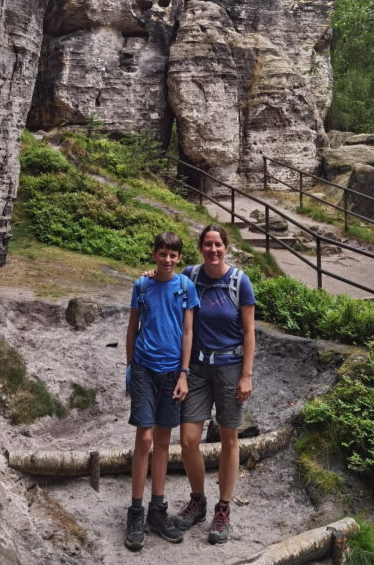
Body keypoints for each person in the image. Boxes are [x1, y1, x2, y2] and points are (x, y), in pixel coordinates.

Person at [174, 224, 256, 545]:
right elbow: (170, 290)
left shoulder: (239, 282)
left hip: (230, 368)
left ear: (226, 247)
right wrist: (152, 274)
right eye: (208, 244)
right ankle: (198, 501)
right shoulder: (190, 276)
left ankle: (223, 509)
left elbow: (249, 332)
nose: (213, 249)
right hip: (196, 367)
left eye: (218, 244)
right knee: (189, 439)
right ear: (201, 247)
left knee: (229, 439)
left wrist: (246, 375)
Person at [124, 231, 199, 552]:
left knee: (164, 441)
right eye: (162, 254)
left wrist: (184, 374)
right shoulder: (141, 285)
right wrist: (129, 367)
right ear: (153, 254)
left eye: (173, 255)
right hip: (144, 368)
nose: (167, 260)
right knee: (144, 438)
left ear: (179, 258)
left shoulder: (185, 287)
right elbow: (132, 327)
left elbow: (188, 331)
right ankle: (136, 511)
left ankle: (157, 509)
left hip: (172, 372)